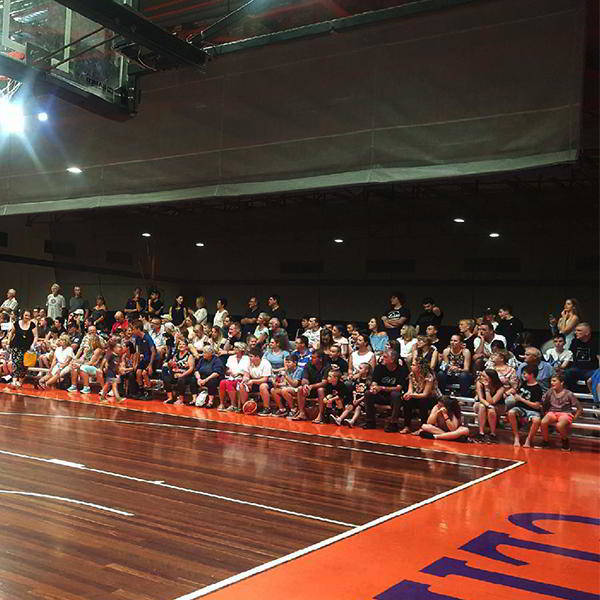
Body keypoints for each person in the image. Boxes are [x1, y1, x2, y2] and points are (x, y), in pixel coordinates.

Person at [362, 350, 408, 431]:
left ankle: (393, 423)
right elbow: (374, 382)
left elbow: (399, 388)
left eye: (385, 357)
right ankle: (370, 422)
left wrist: (382, 388)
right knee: (368, 393)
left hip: (392, 397)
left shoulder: (401, 370)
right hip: (380, 395)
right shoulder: (379, 367)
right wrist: (374, 387)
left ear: (392, 359)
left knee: (396, 394)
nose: (382, 358)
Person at [540, 373, 583, 451]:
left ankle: (565, 441)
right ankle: (545, 441)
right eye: (551, 381)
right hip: (552, 412)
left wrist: (575, 418)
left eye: (554, 381)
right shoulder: (549, 392)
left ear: (561, 382)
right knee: (543, 422)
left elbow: (579, 408)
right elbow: (543, 403)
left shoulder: (569, 394)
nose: (551, 383)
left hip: (565, 413)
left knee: (559, 425)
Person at [507, 364, 543, 448]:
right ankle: (516, 436)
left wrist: (521, 399)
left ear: (532, 375)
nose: (523, 375)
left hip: (532, 410)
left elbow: (537, 406)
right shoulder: (523, 384)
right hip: (520, 408)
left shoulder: (537, 388)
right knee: (511, 412)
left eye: (525, 374)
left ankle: (529, 439)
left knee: (537, 420)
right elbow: (518, 396)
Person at [400, 362, 441, 433]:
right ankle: (406, 426)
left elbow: (425, 394)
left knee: (423, 401)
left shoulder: (428, 376)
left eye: (413, 365)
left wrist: (412, 395)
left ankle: (423, 427)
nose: (411, 366)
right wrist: (407, 394)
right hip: (418, 396)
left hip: (432, 398)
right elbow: (410, 390)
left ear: (419, 368)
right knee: (407, 400)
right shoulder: (411, 374)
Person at [291, 350, 328, 421]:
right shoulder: (308, 364)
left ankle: (320, 415)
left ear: (320, 359)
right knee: (300, 388)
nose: (312, 359)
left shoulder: (326, 366)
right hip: (310, 389)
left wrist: (311, 386)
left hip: (324, 390)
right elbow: (304, 379)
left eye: (314, 358)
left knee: (320, 389)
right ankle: (302, 413)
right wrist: (305, 385)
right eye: (311, 357)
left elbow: (324, 382)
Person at [472, 369, 506, 443]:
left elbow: (492, 401)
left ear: (491, 378)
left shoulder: (501, 387)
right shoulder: (479, 383)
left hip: (498, 406)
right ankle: (481, 433)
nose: (481, 377)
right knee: (482, 406)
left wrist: (487, 389)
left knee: (491, 410)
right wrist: (488, 405)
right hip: (482, 404)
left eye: (484, 376)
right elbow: (481, 399)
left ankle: (493, 434)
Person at [564, 323, 599, 391]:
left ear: (587, 332)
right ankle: (573, 393)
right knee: (567, 373)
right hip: (577, 368)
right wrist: (563, 366)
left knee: (595, 376)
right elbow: (569, 355)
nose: (575, 332)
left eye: (579, 330)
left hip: (592, 370)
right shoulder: (575, 341)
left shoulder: (596, 342)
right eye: (576, 330)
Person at [7, 309, 37, 387]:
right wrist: (8, 342)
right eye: (26, 315)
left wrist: (33, 345)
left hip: (27, 348)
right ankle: (14, 381)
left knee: (24, 365)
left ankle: (20, 382)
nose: (27, 317)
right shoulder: (16, 323)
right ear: (22, 315)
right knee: (16, 363)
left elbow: (36, 336)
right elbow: (11, 333)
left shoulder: (32, 324)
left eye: (29, 316)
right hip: (15, 346)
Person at [237, 348, 273, 414]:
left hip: (266, 382)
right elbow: (246, 374)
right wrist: (245, 379)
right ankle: (245, 406)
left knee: (262, 386)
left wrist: (253, 381)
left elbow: (265, 379)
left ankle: (267, 408)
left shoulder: (266, 363)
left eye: (251, 356)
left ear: (257, 357)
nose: (249, 358)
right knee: (242, 385)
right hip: (253, 381)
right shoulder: (249, 363)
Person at [219, 342, 250, 411]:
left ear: (241, 349)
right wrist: (229, 372)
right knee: (222, 382)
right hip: (231, 377)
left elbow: (247, 371)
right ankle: (222, 403)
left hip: (241, 378)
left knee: (228, 383)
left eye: (236, 347)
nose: (234, 348)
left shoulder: (247, 358)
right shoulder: (231, 357)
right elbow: (226, 371)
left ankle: (233, 405)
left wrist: (240, 373)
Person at [164, 339, 196, 405]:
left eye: (183, 344)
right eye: (180, 344)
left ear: (186, 346)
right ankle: (170, 398)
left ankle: (181, 400)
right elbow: (172, 365)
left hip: (186, 375)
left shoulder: (189, 356)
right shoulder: (176, 355)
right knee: (166, 377)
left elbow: (191, 369)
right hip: (176, 373)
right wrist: (170, 364)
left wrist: (182, 375)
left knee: (181, 380)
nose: (181, 345)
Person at [131, 319, 156, 400]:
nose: (132, 331)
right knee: (138, 372)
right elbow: (137, 352)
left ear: (138, 329)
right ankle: (141, 392)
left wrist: (150, 365)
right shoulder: (137, 339)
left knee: (144, 373)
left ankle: (149, 394)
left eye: (133, 329)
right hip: (144, 360)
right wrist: (135, 363)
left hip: (151, 360)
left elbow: (153, 352)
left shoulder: (147, 337)